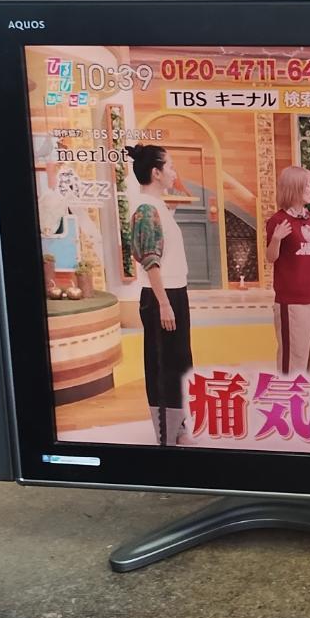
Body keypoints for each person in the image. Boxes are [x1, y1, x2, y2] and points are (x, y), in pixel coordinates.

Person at [127, 144, 193, 446]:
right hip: (161, 297)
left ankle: (177, 429)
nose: (174, 173)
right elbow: (150, 260)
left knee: (178, 362)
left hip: (173, 293)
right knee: (163, 366)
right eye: (171, 167)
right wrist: (164, 303)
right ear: (156, 172)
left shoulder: (157, 206)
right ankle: (168, 434)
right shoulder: (146, 209)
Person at [265, 166, 310, 375]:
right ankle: (290, 394)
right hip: (292, 301)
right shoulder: (278, 221)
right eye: (307, 185)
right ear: (294, 188)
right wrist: (276, 239)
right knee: (295, 359)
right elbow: (271, 257)